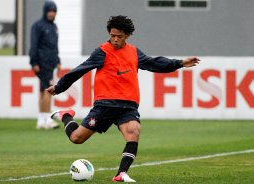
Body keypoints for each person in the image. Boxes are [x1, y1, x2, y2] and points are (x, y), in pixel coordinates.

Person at [47, 15, 199, 182]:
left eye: (119, 36)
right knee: (76, 138)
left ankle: (121, 173)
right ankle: (65, 115)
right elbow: (80, 70)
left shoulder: (134, 52)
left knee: (134, 131)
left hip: (128, 106)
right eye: (112, 36)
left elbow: (155, 63)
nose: (115, 40)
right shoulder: (102, 51)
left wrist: (180, 63)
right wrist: (59, 87)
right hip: (105, 105)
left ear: (127, 36)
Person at [29, 0, 61, 129]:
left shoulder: (54, 27)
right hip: (42, 63)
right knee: (48, 90)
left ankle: (41, 120)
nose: (52, 13)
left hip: (51, 62)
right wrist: (34, 62)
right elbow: (34, 45)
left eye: (54, 11)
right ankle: (48, 119)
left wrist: (58, 61)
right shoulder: (38, 26)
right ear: (45, 11)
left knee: (43, 91)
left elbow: (54, 46)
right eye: (50, 11)